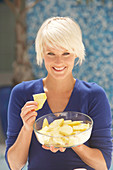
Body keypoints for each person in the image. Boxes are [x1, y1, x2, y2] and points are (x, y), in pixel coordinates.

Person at [5, 17, 112, 170]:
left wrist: (71, 141)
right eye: (51, 53)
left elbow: (103, 165)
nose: (59, 62)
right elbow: (15, 165)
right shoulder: (22, 94)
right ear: (42, 53)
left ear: (76, 53)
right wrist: (27, 128)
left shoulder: (94, 95)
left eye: (66, 53)